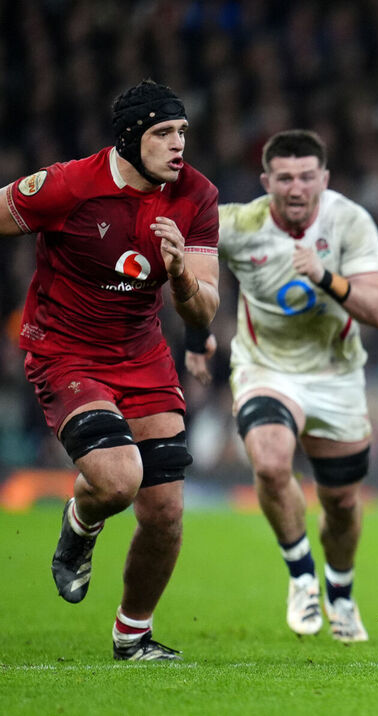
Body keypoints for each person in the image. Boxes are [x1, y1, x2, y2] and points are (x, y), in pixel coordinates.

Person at [0, 80, 219, 660]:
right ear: (129, 138)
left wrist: (179, 274)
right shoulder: (68, 185)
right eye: (163, 134)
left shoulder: (196, 195)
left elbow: (204, 309)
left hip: (143, 356)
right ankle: (81, 522)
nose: (178, 146)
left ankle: (133, 637)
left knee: (167, 512)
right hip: (66, 351)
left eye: (182, 133)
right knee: (118, 481)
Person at [184, 130, 378, 642]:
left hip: (336, 373)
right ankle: (302, 576)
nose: (296, 188)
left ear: (323, 179)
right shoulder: (239, 224)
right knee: (272, 461)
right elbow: (192, 274)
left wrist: (326, 277)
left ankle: (340, 593)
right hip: (266, 370)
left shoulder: (349, 221)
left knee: (342, 504)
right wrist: (196, 336)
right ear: (266, 182)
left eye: (306, 177)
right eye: (284, 178)